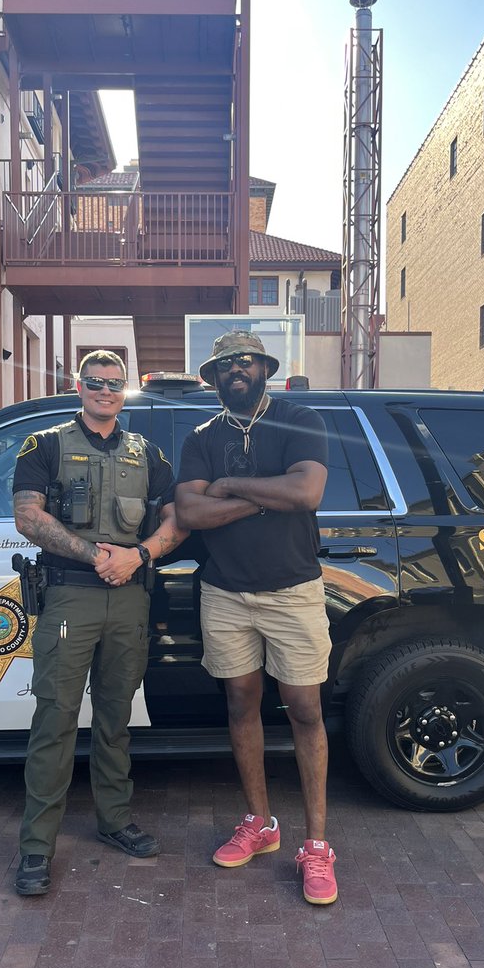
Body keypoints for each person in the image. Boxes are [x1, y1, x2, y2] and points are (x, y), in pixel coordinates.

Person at [11, 350, 186, 896]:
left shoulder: (148, 454)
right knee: (56, 719)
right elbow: (28, 516)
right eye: (95, 382)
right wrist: (95, 556)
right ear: (77, 385)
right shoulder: (46, 445)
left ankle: (114, 820)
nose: (105, 390)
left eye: (114, 383)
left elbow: (178, 515)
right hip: (70, 598)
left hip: (130, 599)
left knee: (116, 717)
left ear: (125, 389)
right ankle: (37, 847)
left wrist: (142, 555)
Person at [175, 331, 336, 905]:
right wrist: (271, 495)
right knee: (241, 703)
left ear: (264, 369)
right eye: (224, 366)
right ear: (212, 377)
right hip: (226, 593)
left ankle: (316, 846)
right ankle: (260, 824)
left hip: (293, 591)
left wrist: (234, 487)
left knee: (304, 708)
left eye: (245, 362)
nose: (235, 371)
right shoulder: (200, 437)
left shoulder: (298, 419)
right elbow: (190, 510)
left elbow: (308, 492)